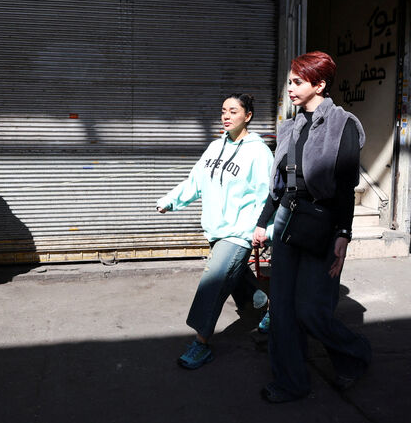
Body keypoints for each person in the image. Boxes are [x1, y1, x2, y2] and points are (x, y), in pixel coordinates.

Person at [253, 51, 371, 402]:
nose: (290, 88)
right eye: (289, 81)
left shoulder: (344, 124)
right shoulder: (289, 126)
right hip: (288, 217)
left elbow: (346, 187)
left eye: (298, 82)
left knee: (310, 311)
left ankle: (355, 354)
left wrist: (343, 234)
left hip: (322, 221)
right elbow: (278, 185)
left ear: (319, 84)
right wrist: (263, 223)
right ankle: (291, 381)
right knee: (283, 310)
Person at [156, 93, 274, 369]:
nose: (226, 116)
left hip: (239, 232)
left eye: (234, 111)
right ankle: (267, 306)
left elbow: (268, 194)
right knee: (235, 277)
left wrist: (263, 228)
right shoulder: (213, 148)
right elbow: (195, 181)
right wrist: (170, 201)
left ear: (248, 116)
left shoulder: (258, 152)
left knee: (213, 283)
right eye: (223, 111)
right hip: (216, 230)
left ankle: (201, 343)